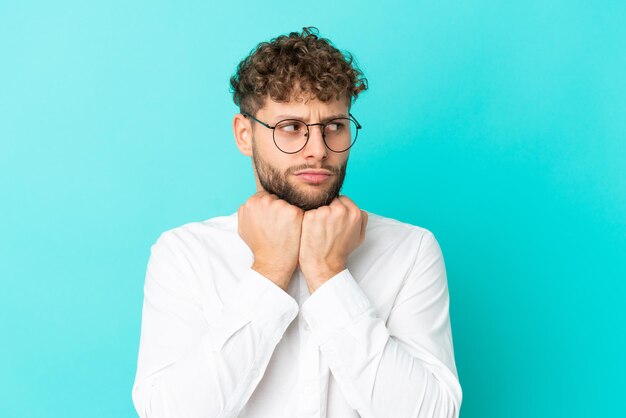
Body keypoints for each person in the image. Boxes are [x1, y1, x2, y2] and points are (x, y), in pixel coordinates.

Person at [131, 26, 462, 418]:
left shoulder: (410, 249)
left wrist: (329, 275)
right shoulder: (185, 254)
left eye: (333, 126)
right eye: (291, 128)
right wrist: (268, 272)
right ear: (244, 134)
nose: (318, 151)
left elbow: (433, 414)